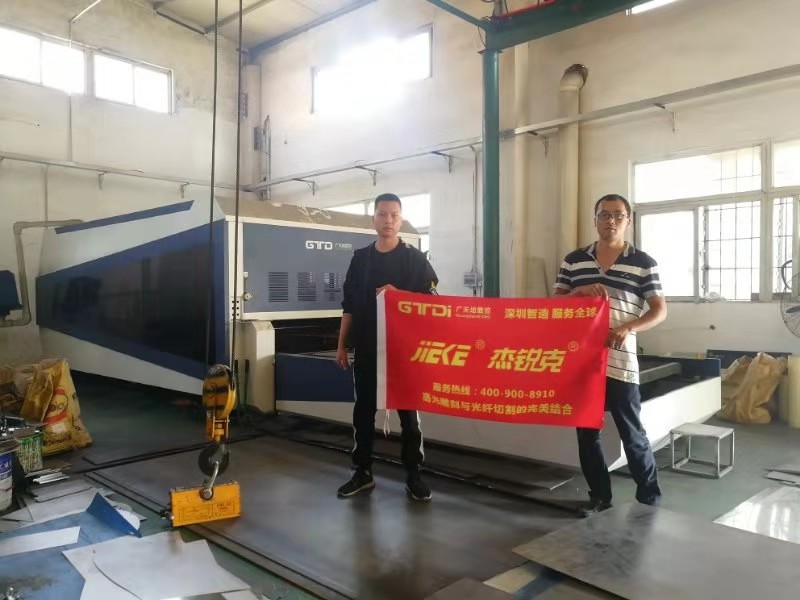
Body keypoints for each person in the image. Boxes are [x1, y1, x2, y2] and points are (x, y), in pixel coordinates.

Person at [554, 193, 668, 517]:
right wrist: (578, 292)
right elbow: (555, 304)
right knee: (587, 436)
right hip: (583, 364)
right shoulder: (574, 260)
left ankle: (649, 499)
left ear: (628, 221)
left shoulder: (643, 262)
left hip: (621, 363)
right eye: (604, 215)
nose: (611, 221)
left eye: (618, 215)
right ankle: (600, 498)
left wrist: (628, 327)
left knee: (632, 434)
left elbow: (659, 310)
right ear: (595, 220)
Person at [335, 192, 438, 502]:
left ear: (401, 219)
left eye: (394, 215)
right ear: (374, 219)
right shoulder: (361, 259)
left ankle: (414, 474)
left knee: (409, 415)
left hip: (405, 350)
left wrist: (399, 295)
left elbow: (432, 302)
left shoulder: (414, 260)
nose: (388, 220)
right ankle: (362, 472)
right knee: (363, 411)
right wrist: (341, 345)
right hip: (367, 347)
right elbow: (349, 306)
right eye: (382, 214)